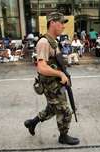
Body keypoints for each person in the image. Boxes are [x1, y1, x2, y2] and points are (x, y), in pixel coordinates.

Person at [24, 12, 80, 145]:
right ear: (52, 23)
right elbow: (41, 67)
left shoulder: (53, 41)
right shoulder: (44, 42)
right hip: (51, 85)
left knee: (51, 108)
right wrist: (60, 74)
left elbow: (55, 61)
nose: (63, 26)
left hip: (56, 84)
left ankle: (32, 123)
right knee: (65, 111)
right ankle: (63, 136)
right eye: (61, 23)